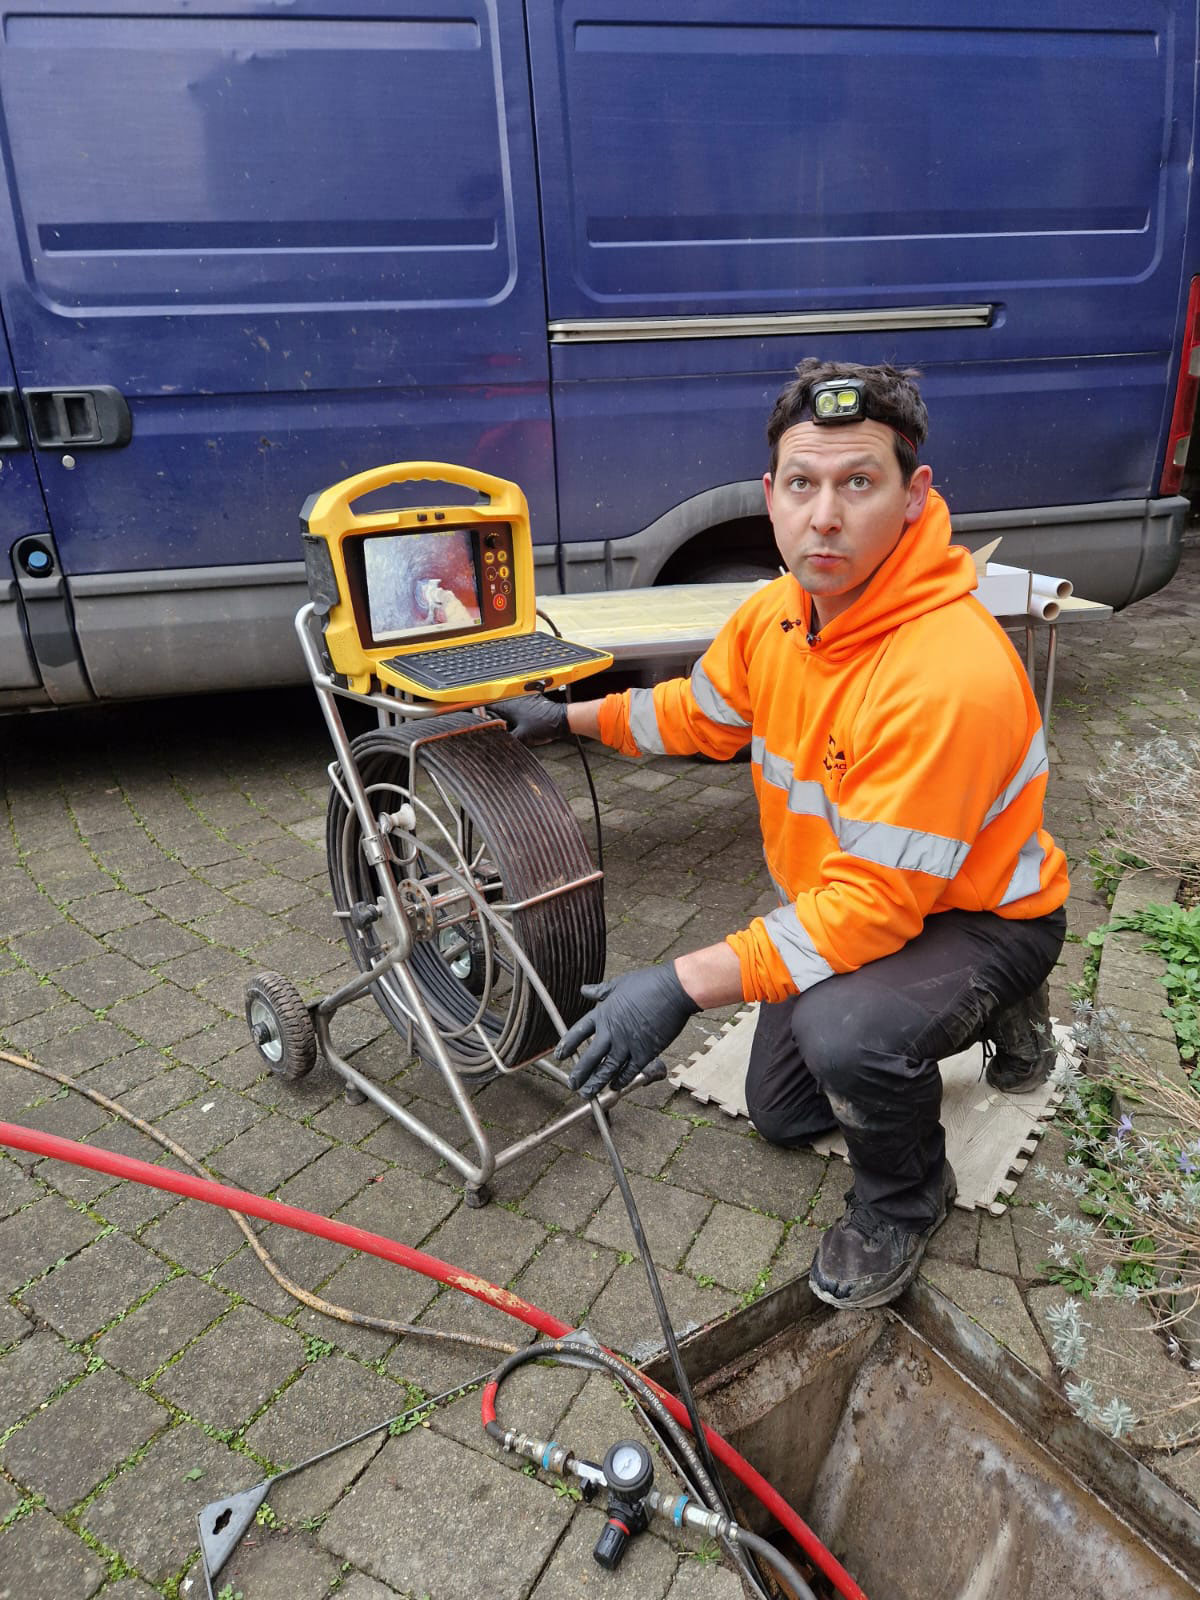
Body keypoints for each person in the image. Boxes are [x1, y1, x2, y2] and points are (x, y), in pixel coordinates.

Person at [496, 359, 1069, 1311]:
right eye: (803, 485)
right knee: (781, 1111)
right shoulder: (775, 616)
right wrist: (573, 721)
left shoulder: (947, 670)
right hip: (865, 906)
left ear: (913, 492)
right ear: (770, 496)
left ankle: (906, 1197)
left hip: (987, 916)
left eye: (859, 483)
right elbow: (701, 716)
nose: (826, 517)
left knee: (847, 1036)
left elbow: (869, 909)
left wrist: (678, 987)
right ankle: (933, 1028)